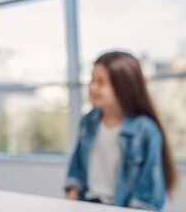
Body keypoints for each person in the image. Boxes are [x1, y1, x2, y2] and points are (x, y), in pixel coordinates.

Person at [64, 51, 178, 210]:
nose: (92, 87)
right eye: (91, 80)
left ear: (124, 86)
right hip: (88, 204)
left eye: (101, 82)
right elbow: (77, 168)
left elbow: (149, 193)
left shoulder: (145, 130)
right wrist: (69, 202)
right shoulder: (88, 121)